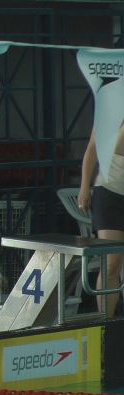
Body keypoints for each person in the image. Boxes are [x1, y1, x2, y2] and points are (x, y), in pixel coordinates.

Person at [78, 123, 124, 318]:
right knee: (111, 263)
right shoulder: (110, 111)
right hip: (109, 191)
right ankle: (106, 322)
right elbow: (93, 149)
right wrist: (84, 187)